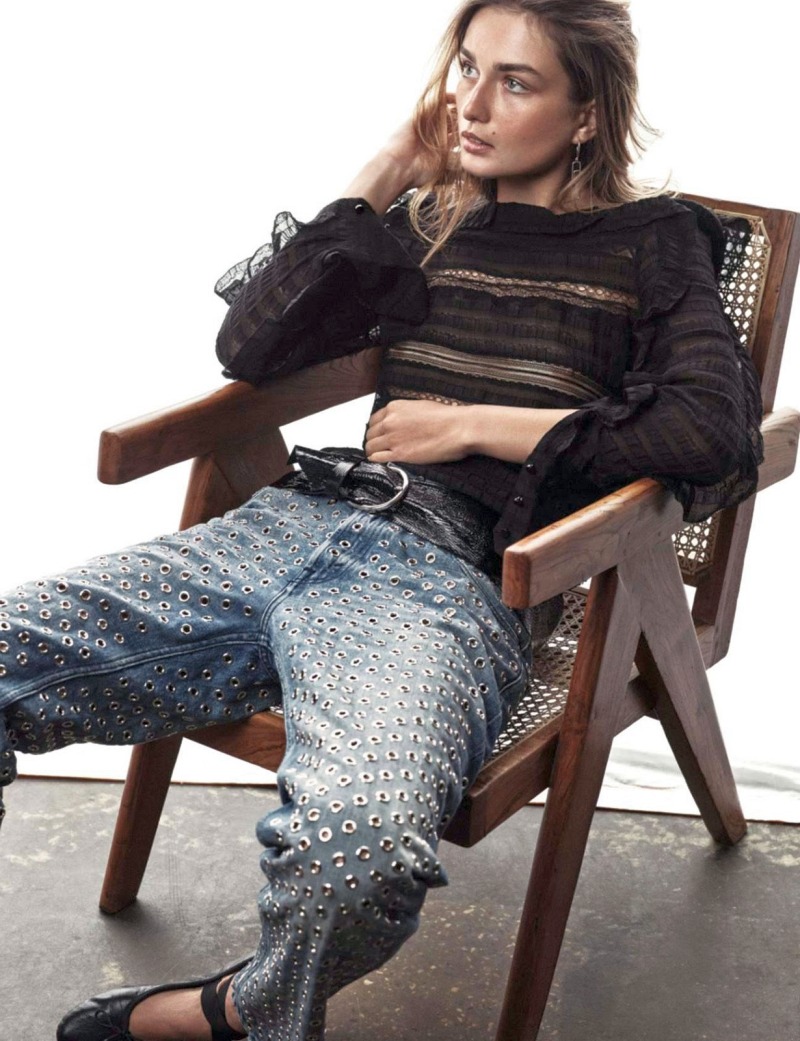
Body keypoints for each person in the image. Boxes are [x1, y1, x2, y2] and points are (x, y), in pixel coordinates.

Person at [0, 1, 764, 1039]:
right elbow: (250, 345)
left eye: (515, 81)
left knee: (354, 856)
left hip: (446, 581)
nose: (471, 104)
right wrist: (390, 165)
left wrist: (473, 426)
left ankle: (230, 1010)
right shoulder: (429, 220)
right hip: (287, 525)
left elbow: (711, 430)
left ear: (587, 114)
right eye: (466, 68)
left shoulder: (653, 241)